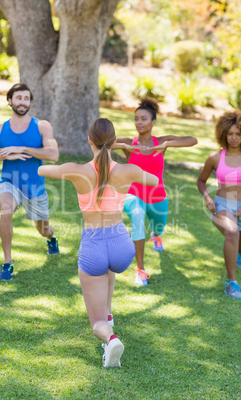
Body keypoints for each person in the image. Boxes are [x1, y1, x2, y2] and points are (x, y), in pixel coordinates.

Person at [38, 118, 159, 367]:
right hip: (121, 246)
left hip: (93, 245)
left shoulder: (77, 170)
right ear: (114, 142)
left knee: (96, 324)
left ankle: (110, 337)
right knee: (108, 268)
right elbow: (155, 182)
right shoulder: (128, 171)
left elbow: (43, 170)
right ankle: (109, 313)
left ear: (90, 141)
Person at [0, 83, 60, 281]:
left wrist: (21, 149)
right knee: (5, 208)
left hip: (35, 186)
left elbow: (53, 155)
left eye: (26, 98)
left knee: (43, 229)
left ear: (29, 102)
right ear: (10, 101)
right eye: (19, 98)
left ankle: (51, 239)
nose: (23, 102)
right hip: (9, 183)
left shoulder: (42, 126)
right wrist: (5, 156)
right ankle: (8, 262)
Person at [112, 98, 197, 286]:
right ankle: (140, 270)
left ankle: (156, 236)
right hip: (134, 194)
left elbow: (193, 140)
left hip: (158, 196)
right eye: (136, 119)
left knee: (158, 227)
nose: (139, 123)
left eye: (143, 119)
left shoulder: (162, 141)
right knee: (137, 216)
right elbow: (97, 142)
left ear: (153, 122)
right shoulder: (129, 142)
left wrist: (166, 146)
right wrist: (124, 147)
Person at [197, 110, 241, 300]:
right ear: (223, 133)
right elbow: (201, 181)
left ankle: (239, 254)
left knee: (239, 244)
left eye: (238, 133)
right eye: (230, 133)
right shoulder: (215, 157)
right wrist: (208, 198)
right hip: (223, 205)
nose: (233, 137)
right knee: (232, 232)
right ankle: (231, 284)